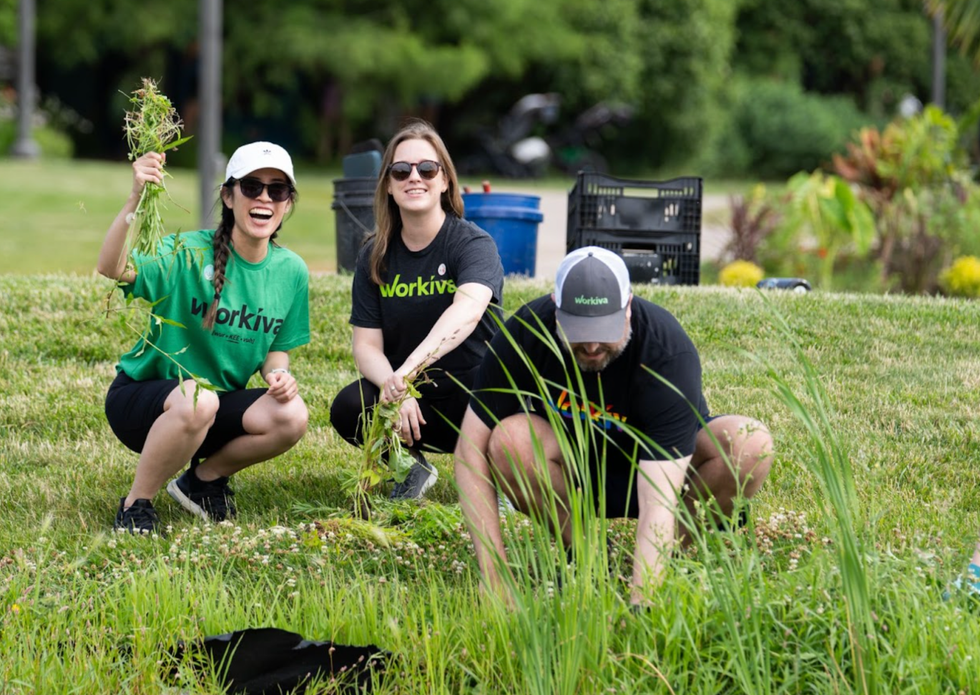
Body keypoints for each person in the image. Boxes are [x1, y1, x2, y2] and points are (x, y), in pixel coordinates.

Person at [454, 246, 774, 605]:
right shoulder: (527, 331)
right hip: (574, 470)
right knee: (508, 440)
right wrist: (494, 575)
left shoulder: (666, 350)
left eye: (604, 329)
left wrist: (642, 604)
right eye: (579, 329)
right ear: (555, 308)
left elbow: (659, 498)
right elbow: (469, 450)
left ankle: (676, 552)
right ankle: (589, 557)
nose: (591, 345)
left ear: (628, 308)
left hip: (659, 470)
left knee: (751, 444)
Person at [97, 141, 311, 534]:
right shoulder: (187, 252)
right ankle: (135, 505)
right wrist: (135, 197)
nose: (264, 197)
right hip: (145, 402)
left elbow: (277, 349)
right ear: (228, 196)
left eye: (276, 190)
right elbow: (113, 267)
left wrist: (277, 376)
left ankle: (202, 481)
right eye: (251, 187)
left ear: (286, 204)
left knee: (292, 415)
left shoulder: (291, 271)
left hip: (214, 406)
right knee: (199, 399)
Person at [329, 119, 504, 499]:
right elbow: (366, 347)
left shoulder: (473, 244)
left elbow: (467, 313)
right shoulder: (373, 255)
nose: (415, 177)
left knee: (504, 394)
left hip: (474, 393)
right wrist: (396, 389)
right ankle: (412, 468)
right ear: (389, 186)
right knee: (348, 407)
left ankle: (498, 472)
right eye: (401, 170)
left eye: (427, 168)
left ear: (445, 180)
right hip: (414, 400)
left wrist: (404, 376)